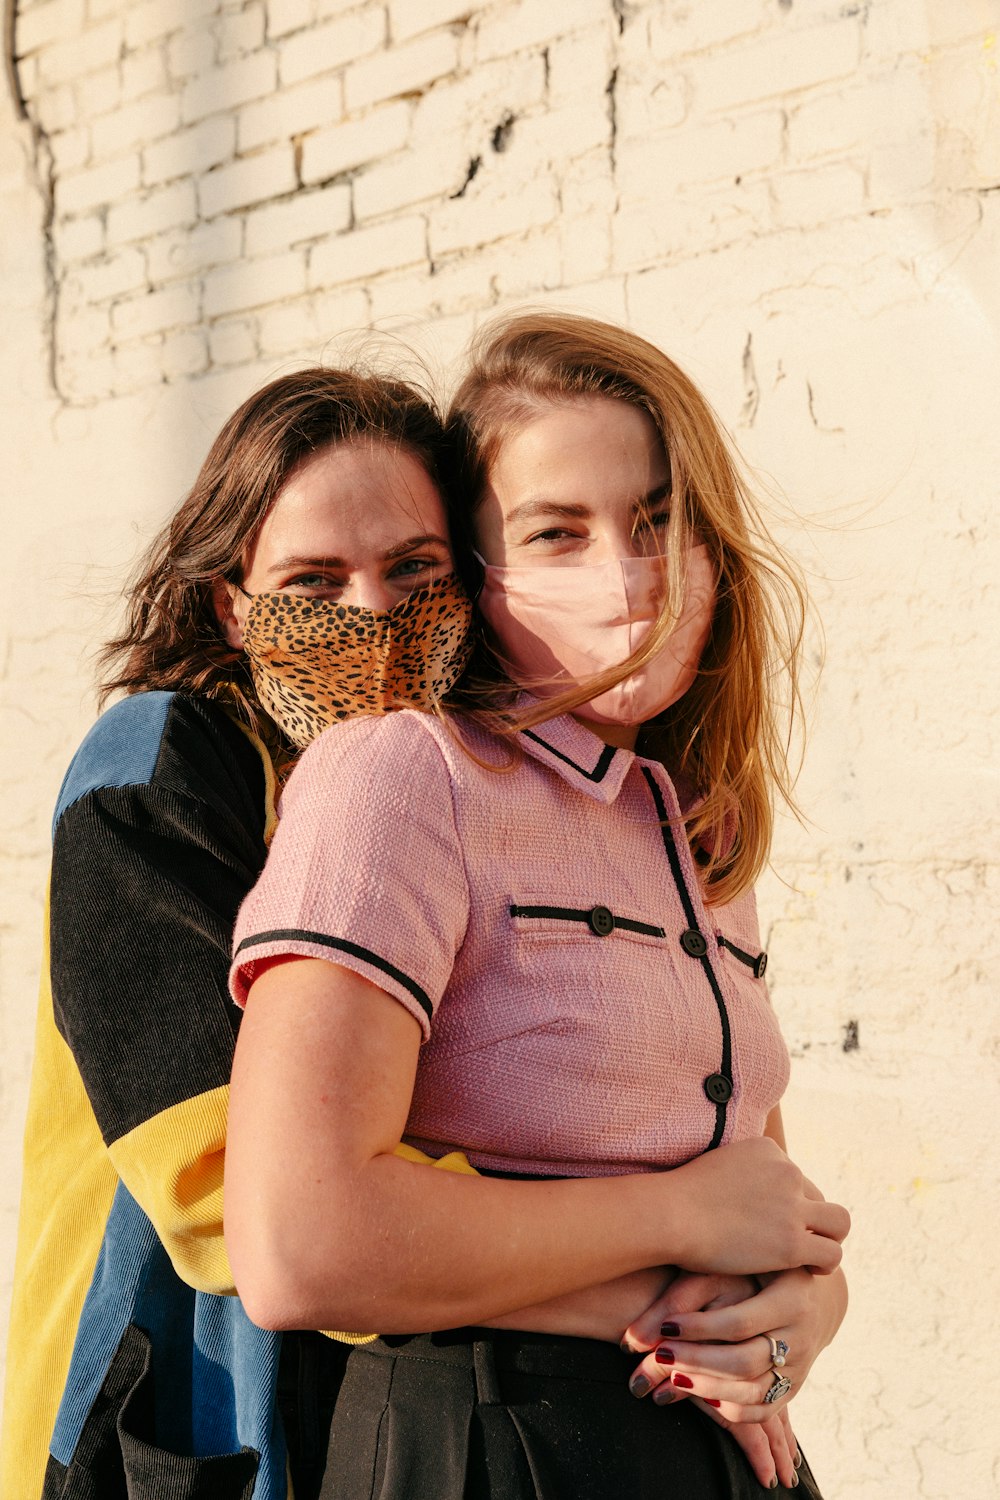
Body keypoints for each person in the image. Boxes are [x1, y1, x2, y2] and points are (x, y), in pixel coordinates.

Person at [224, 312, 851, 1499]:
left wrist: (803, 1313)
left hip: (717, 1449)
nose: (626, 576)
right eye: (555, 534)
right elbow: (299, 1242)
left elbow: (758, 1197)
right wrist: (675, 1218)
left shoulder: (698, 824)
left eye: (658, 520)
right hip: (486, 1441)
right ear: (475, 574)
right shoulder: (404, 774)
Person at [0, 366, 478, 1500]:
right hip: (170, 1398)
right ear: (230, 605)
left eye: (414, 569)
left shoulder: (464, 783)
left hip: (405, 1388)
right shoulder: (153, 777)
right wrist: (607, 1252)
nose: (370, 616)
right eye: (314, 581)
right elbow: (218, 1185)